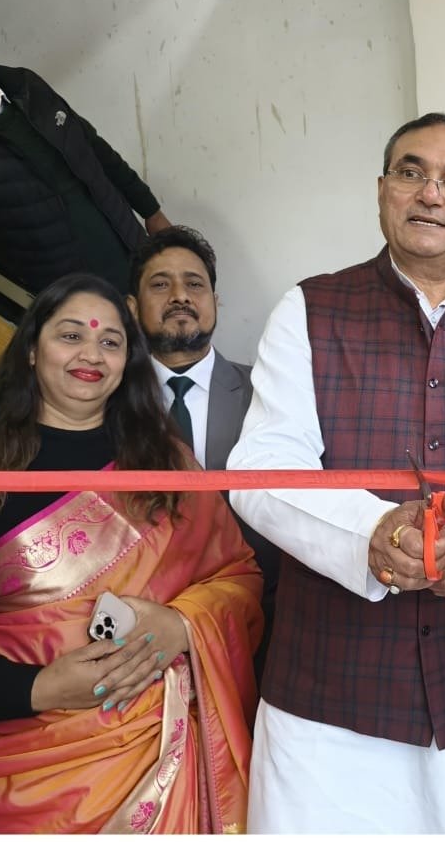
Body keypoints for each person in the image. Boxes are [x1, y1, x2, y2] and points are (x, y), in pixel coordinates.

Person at [227, 112, 445, 833]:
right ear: (382, 190)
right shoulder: (309, 308)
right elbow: (261, 468)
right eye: (412, 172)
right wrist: (371, 532)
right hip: (329, 697)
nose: (431, 193)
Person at [0, 273, 262, 833]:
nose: (92, 354)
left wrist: (182, 626)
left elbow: (240, 577)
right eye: (71, 335)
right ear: (31, 349)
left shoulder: (163, 462)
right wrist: (40, 688)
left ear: (128, 362)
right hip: (16, 769)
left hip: (160, 747)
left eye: (111, 341)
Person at [0, 0, 170, 320]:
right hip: (72, 312)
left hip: (137, 258)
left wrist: (151, 211)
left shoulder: (25, 85)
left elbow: (93, 147)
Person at [126, 225, 278, 680]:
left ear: (215, 301)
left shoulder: (269, 395)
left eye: (194, 284)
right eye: (160, 284)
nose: (180, 296)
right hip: (141, 642)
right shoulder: (109, 406)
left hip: (262, 625)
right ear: (132, 307)